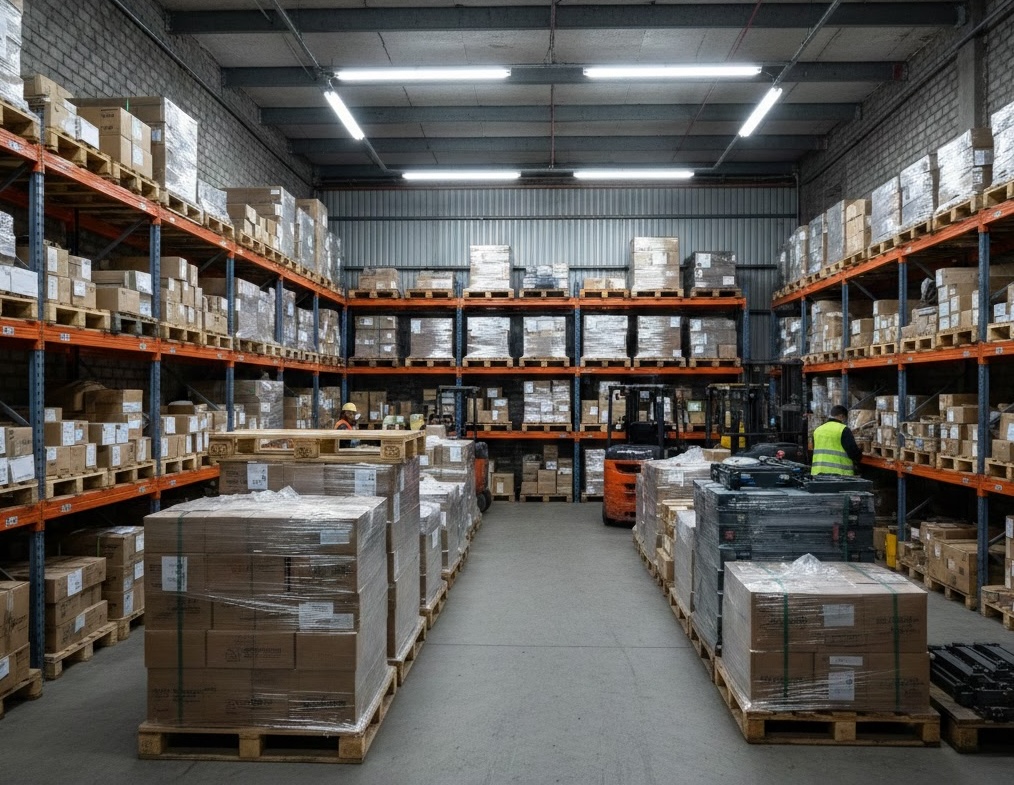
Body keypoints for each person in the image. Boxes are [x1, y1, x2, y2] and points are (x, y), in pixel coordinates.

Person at [811, 404, 864, 476]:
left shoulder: (818, 430)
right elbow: (852, 452)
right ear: (841, 416)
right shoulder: (843, 429)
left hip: (818, 473)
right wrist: (859, 455)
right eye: (845, 418)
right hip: (839, 474)